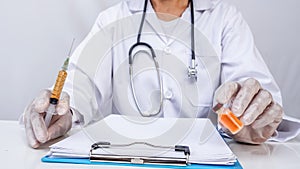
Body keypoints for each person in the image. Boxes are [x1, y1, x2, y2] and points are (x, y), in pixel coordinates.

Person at [23, 0, 285, 148]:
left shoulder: (225, 18)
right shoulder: (113, 18)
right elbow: (78, 86)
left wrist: (254, 114)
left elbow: (254, 91)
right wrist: (61, 112)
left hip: (201, 158)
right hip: (127, 158)